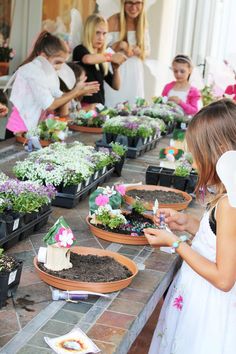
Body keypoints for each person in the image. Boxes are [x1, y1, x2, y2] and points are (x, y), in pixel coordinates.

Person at [144, 99, 236, 354]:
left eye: (197, 154)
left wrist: (175, 243)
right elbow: (224, 241)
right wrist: (189, 224)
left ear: (218, 150)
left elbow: (224, 278)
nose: (195, 163)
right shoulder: (229, 194)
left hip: (209, 310)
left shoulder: (230, 204)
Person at [6, 31, 100, 134]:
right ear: (43, 56)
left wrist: (79, 91)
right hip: (18, 129)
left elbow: (58, 97)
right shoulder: (33, 71)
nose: (59, 67)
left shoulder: (46, 71)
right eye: (57, 62)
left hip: (31, 129)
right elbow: (50, 105)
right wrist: (76, 92)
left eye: (62, 63)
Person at [73, 13, 126, 107]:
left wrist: (116, 69)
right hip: (84, 108)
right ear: (88, 32)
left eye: (104, 33)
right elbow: (88, 59)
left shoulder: (100, 59)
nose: (101, 38)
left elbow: (116, 86)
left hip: (99, 108)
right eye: (97, 32)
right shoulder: (80, 49)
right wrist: (111, 56)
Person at [104, 0, 150, 107]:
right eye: (129, 2)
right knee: (113, 105)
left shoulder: (143, 22)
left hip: (134, 73)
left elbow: (147, 51)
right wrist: (117, 45)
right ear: (123, 3)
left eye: (137, 3)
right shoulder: (112, 21)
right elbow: (100, 52)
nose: (133, 7)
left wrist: (140, 51)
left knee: (133, 108)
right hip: (116, 71)